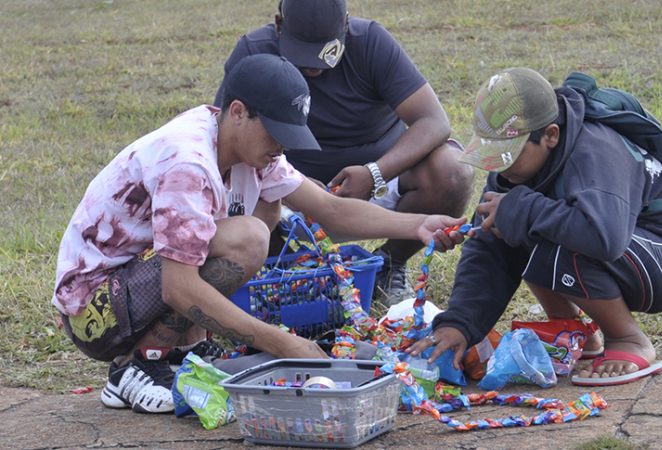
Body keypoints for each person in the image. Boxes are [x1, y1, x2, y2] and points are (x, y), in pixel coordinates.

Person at [52, 54, 466, 414]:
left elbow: (330, 210)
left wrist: (416, 223)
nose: (282, 147)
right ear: (237, 112)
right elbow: (179, 287)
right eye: (277, 132)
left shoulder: (247, 148)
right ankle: (136, 366)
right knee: (247, 237)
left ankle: (184, 350)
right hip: (96, 313)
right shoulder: (188, 163)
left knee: (260, 218)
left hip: (133, 286)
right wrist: (283, 344)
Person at [409, 68, 662, 386]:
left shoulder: (595, 150)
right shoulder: (513, 170)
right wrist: (460, 324)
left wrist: (520, 209)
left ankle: (628, 339)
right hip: (627, 249)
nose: (500, 166)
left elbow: (604, 237)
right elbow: (488, 247)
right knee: (516, 224)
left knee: (537, 225)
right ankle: (576, 332)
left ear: (551, 135)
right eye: (493, 155)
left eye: (508, 155)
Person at [214, 0, 474, 305]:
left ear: (346, 26)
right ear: (279, 24)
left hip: (372, 182)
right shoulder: (254, 53)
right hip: (286, 190)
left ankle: (388, 266)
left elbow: (434, 120)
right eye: (301, 51)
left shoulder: (371, 42)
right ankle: (283, 277)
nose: (313, 65)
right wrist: (290, 183)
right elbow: (226, 141)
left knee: (453, 170)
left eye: (325, 51)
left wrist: (375, 173)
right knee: (252, 194)